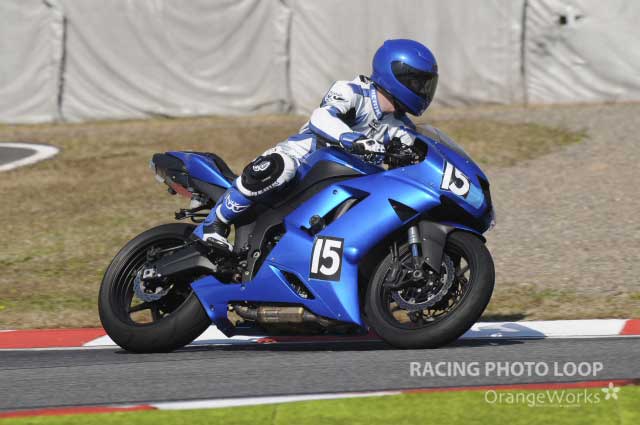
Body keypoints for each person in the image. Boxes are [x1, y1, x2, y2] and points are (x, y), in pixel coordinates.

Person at [199, 39, 438, 251]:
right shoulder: (353, 92)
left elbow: (419, 154)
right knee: (279, 168)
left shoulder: (401, 126)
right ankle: (214, 224)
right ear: (396, 75)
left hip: (346, 180)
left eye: (425, 84)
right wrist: (351, 138)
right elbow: (321, 117)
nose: (422, 90)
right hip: (304, 159)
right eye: (417, 82)